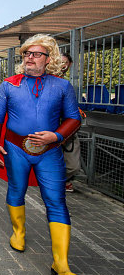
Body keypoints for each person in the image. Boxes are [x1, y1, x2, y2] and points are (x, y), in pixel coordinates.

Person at [0, 34, 81, 275]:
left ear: (48, 58)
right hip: (15, 148)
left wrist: (56, 136)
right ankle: (18, 233)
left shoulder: (62, 86)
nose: (29, 57)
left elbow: (74, 118)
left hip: (49, 152)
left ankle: (61, 263)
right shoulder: (9, 84)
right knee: (16, 191)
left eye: (36, 53)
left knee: (56, 201)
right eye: (27, 53)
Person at [61, 53, 81, 192]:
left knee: (73, 165)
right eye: (60, 61)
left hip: (67, 129)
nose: (63, 65)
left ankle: (63, 179)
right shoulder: (43, 80)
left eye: (66, 62)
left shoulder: (67, 85)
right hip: (47, 128)